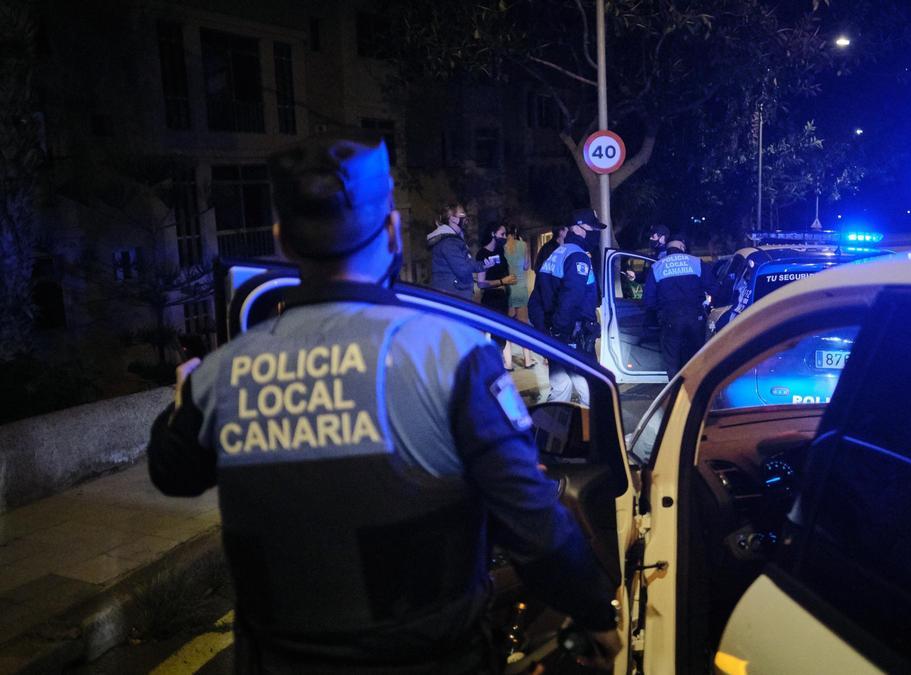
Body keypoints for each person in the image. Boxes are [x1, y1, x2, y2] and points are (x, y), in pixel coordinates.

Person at [146, 136, 620, 673]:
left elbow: (173, 472)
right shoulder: (451, 356)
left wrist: (181, 402)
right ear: (392, 232)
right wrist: (594, 612)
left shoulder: (223, 373)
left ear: (282, 242)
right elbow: (530, 519)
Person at [529, 209, 604, 405]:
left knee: (560, 387)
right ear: (578, 229)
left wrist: (545, 331)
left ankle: (550, 432)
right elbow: (571, 297)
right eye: (593, 227)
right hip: (573, 336)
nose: (596, 232)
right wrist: (562, 331)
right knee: (591, 389)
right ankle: (599, 433)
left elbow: (535, 299)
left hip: (555, 334)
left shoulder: (556, 254)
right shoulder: (578, 257)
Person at [643, 237, 712, 379]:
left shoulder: (658, 266)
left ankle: (676, 393)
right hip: (695, 318)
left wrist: (659, 313)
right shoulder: (695, 262)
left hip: (670, 319)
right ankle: (697, 391)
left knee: (672, 359)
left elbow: (648, 300)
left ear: (668, 251)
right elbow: (714, 288)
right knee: (696, 357)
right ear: (682, 247)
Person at [427, 202, 495, 299]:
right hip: (453, 295)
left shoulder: (452, 239)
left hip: (451, 293)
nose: (465, 217)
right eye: (462, 214)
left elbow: (464, 263)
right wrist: (480, 266)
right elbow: (463, 269)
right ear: (453, 218)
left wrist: (483, 265)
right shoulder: (449, 242)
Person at [475, 222, 518, 368]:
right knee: (496, 337)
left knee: (502, 337)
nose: (505, 237)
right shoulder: (482, 254)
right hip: (491, 299)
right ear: (493, 234)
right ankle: (492, 368)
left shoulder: (500, 252)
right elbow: (481, 283)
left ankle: (498, 366)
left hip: (502, 298)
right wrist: (501, 281)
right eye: (502, 234)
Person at [505, 226, 537, 368]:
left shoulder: (503, 246)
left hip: (508, 288)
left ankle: (508, 363)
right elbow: (526, 266)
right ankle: (528, 360)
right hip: (521, 288)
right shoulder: (523, 245)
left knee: (506, 326)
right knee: (524, 325)